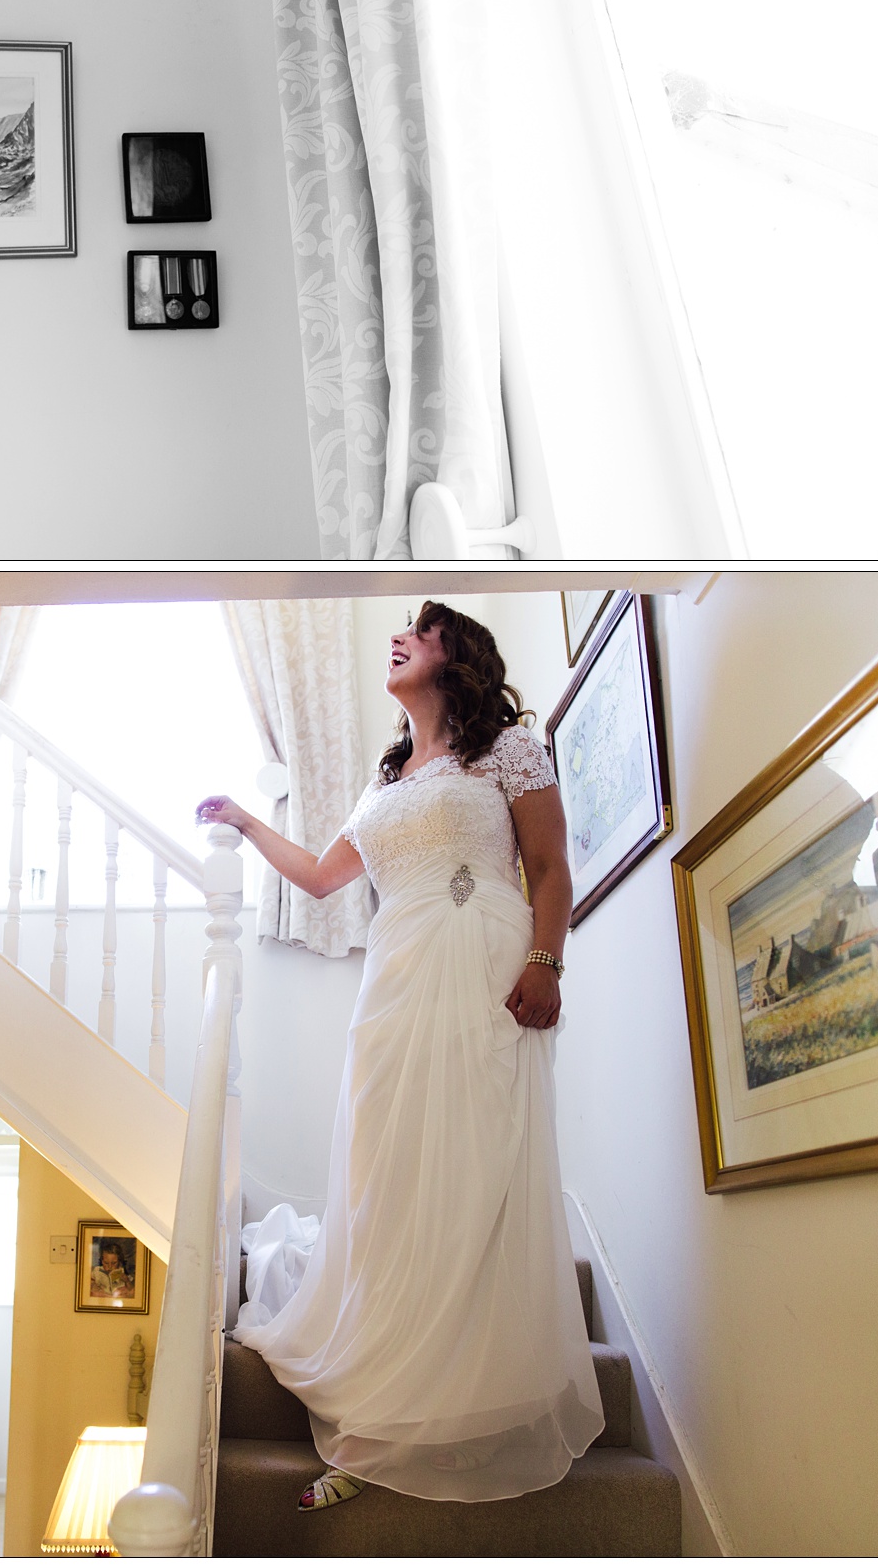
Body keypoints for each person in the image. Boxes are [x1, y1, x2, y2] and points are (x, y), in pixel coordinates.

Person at [195, 602, 603, 1511]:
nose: (399, 638)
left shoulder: (508, 752)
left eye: (419, 631)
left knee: (469, 1173)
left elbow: (550, 867)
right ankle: (384, 1406)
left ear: (457, 654)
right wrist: (247, 822)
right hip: (396, 980)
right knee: (390, 1175)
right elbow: (321, 877)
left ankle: (449, 1413)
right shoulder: (386, 786)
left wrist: (547, 960)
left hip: (483, 966)